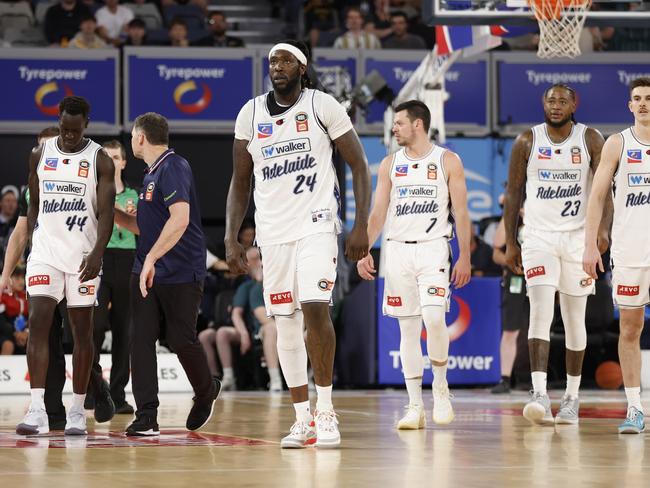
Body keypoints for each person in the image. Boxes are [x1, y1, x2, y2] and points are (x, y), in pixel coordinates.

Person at [226, 40, 371, 448]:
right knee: (284, 326)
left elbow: (359, 164)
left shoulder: (322, 106)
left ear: (302, 68)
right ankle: (301, 418)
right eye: (272, 60)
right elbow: (240, 182)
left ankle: (326, 411)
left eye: (286, 60)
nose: (278, 66)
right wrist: (232, 236)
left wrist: (361, 226)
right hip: (272, 234)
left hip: (317, 225)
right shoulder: (250, 113)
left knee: (314, 308)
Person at [357, 100, 471, 429]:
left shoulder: (448, 160)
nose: (394, 128)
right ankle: (414, 405)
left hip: (434, 248)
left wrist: (464, 255)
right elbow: (378, 213)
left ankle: (440, 388)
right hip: (396, 251)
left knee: (434, 318)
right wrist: (365, 248)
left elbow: (461, 213)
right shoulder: (390, 163)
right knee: (407, 328)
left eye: (399, 123)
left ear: (418, 124)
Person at [503, 84, 608, 425]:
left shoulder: (591, 139)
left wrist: (602, 231)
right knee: (540, 312)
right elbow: (514, 192)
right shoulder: (527, 141)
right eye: (552, 100)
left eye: (563, 100)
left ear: (574, 104)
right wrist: (510, 242)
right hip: (538, 238)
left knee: (575, 319)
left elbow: (606, 189)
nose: (557, 105)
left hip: (578, 239)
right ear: (543, 104)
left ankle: (572, 398)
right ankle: (539, 394)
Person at [114, 112, 220, 437]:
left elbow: (180, 220)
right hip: (147, 270)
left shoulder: (174, 166)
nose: (132, 140)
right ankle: (147, 416)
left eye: (132, 135)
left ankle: (206, 390)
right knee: (140, 341)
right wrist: (112, 212)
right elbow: (143, 227)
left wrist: (151, 258)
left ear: (141, 137)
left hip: (180, 271)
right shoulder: (149, 176)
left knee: (180, 339)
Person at [16, 96, 116, 436]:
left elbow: (106, 214)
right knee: (38, 323)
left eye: (75, 130)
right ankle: (37, 408)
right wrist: (32, 240)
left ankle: (77, 410)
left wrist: (98, 252)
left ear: (86, 124)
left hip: (83, 257)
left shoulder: (99, 159)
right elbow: (33, 204)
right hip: (45, 253)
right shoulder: (39, 155)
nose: (69, 135)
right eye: (64, 129)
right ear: (57, 121)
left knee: (81, 333)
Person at [583, 77, 650, 434]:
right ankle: (636, 409)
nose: (643, 104)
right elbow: (595, 198)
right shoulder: (618, 143)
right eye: (637, 99)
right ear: (629, 105)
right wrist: (590, 244)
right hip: (630, 251)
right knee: (630, 327)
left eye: (648, 99)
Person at [91, 140, 138, 415]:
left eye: (116, 156)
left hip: (128, 260)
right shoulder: (92, 193)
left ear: (123, 162)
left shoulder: (135, 194)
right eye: (106, 156)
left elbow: (144, 228)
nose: (112, 160)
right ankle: (96, 389)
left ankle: (118, 395)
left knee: (124, 330)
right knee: (94, 326)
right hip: (100, 259)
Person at [201, 246, 282, 392]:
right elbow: (236, 313)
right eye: (254, 260)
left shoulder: (276, 281)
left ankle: (308, 378)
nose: (260, 263)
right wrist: (244, 334)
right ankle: (219, 379)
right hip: (253, 328)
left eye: (260, 259)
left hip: (272, 325)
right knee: (214, 334)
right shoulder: (248, 285)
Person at [491, 216, 529, 394]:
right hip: (517, 279)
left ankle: (535, 378)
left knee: (539, 329)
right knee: (511, 329)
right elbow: (496, 249)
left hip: (542, 276)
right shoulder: (513, 215)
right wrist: (509, 212)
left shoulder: (546, 208)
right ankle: (505, 378)